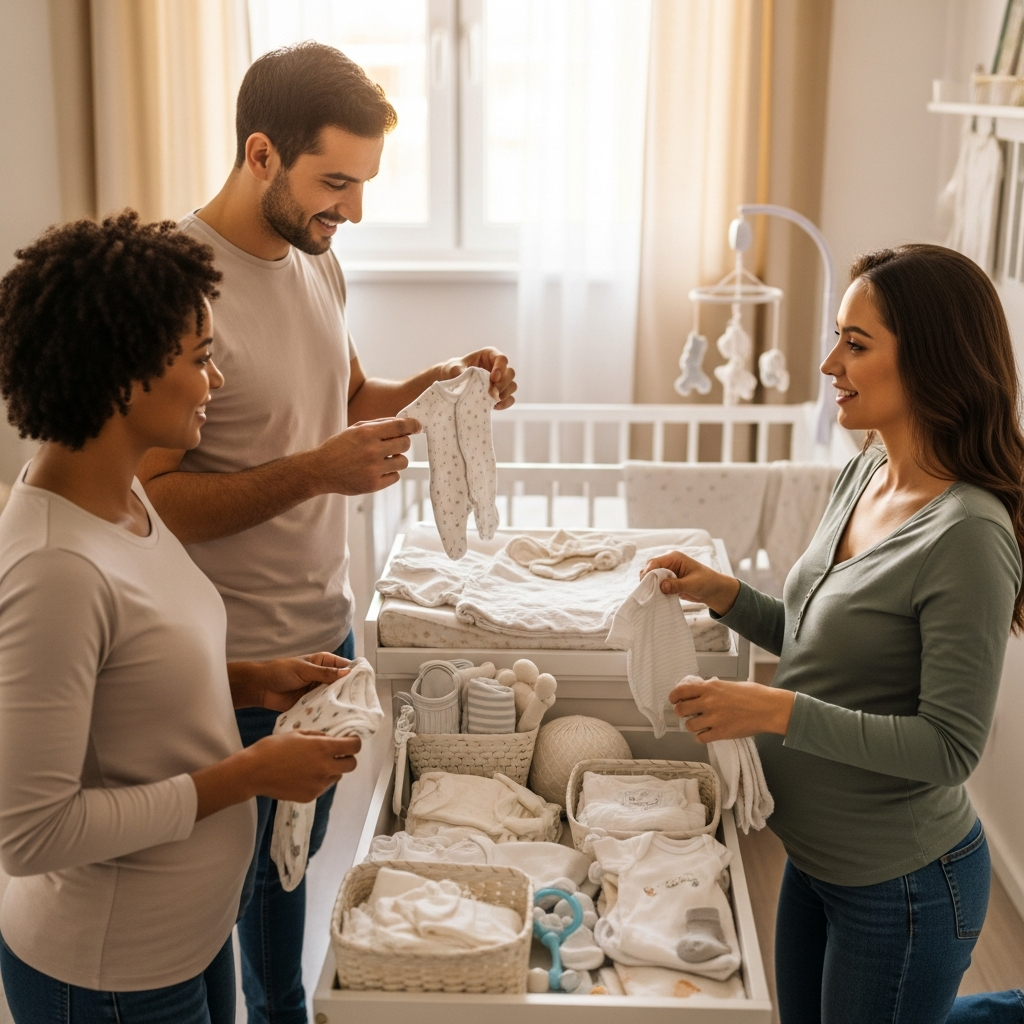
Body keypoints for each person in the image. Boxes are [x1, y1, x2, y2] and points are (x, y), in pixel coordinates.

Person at [135, 42, 517, 1024]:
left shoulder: (315, 261)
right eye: (334, 182)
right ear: (260, 153)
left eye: (362, 185)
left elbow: (347, 397)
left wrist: (438, 382)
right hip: (233, 653)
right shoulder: (180, 289)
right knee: (256, 892)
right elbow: (151, 495)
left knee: (287, 873)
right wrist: (315, 472)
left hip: (320, 631)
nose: (350, 210)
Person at [643, 244, 1024, 1024]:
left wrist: (774, 711)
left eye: (855, 344)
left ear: (930, 360)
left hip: (904, 886)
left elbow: (948, 749)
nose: (828, 364)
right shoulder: (864, 472)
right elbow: (822, 646)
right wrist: (728, 598)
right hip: (815, 862)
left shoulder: (968, 535)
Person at [0, 212, 363, 1024]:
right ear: (124, 378)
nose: (217, 381)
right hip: (107, 973)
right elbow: (32, 835)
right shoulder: (53, 568)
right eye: (201, 360)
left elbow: (124, 678)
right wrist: (250, 774)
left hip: (187, 939)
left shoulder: (120, 492)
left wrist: (251, 680)